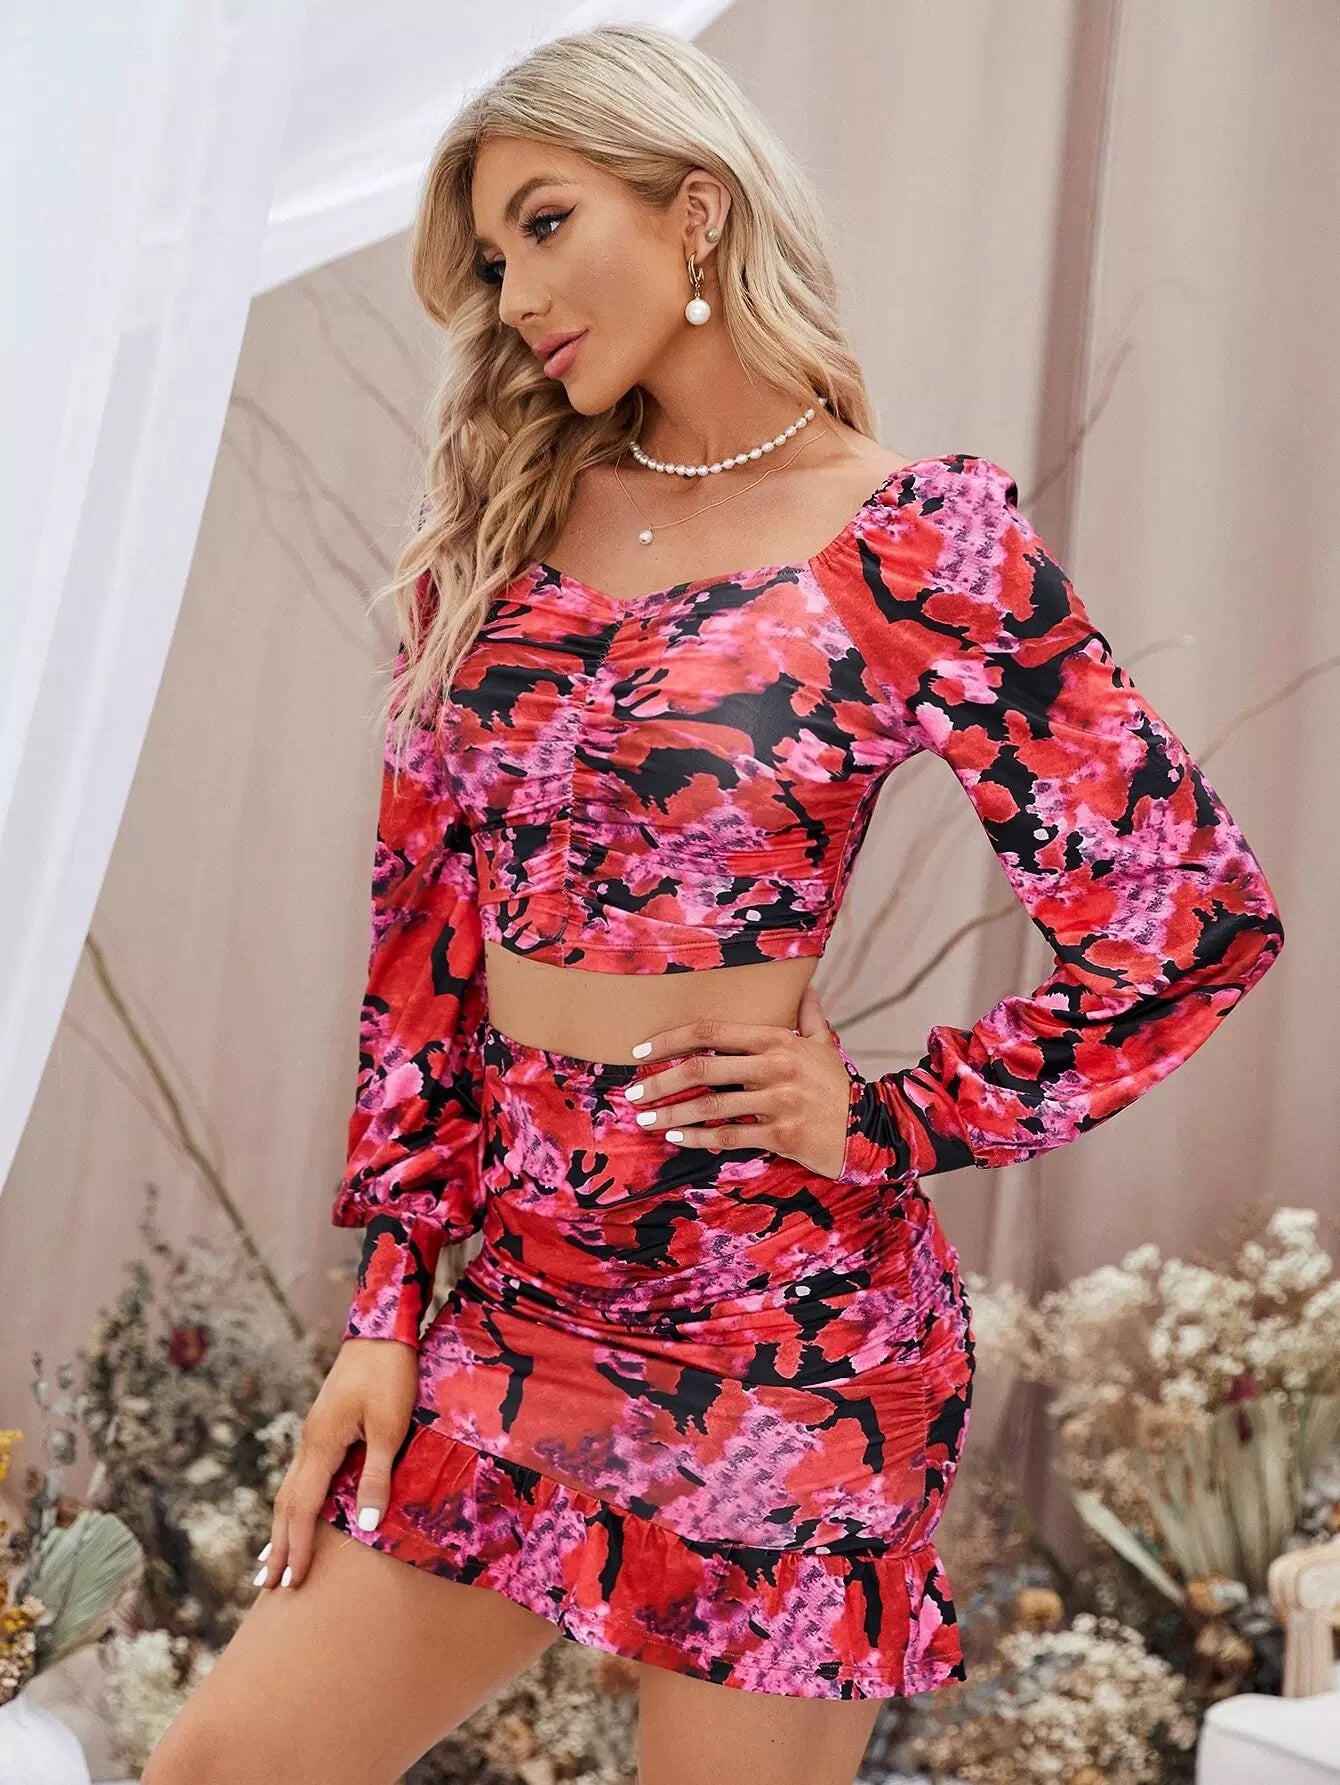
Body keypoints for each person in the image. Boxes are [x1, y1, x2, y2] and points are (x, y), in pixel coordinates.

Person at [142, 21, 1284, 1785]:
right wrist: (387, 1304)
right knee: (225, 1765)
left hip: (786, 1336)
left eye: (543, 223)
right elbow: (425, 948)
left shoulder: (911, 540)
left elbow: (1190, 916)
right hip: (518, 1306)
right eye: (491, 259)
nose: (517, 294)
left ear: (695, 208)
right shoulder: (494, 543)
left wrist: (896, 1117)